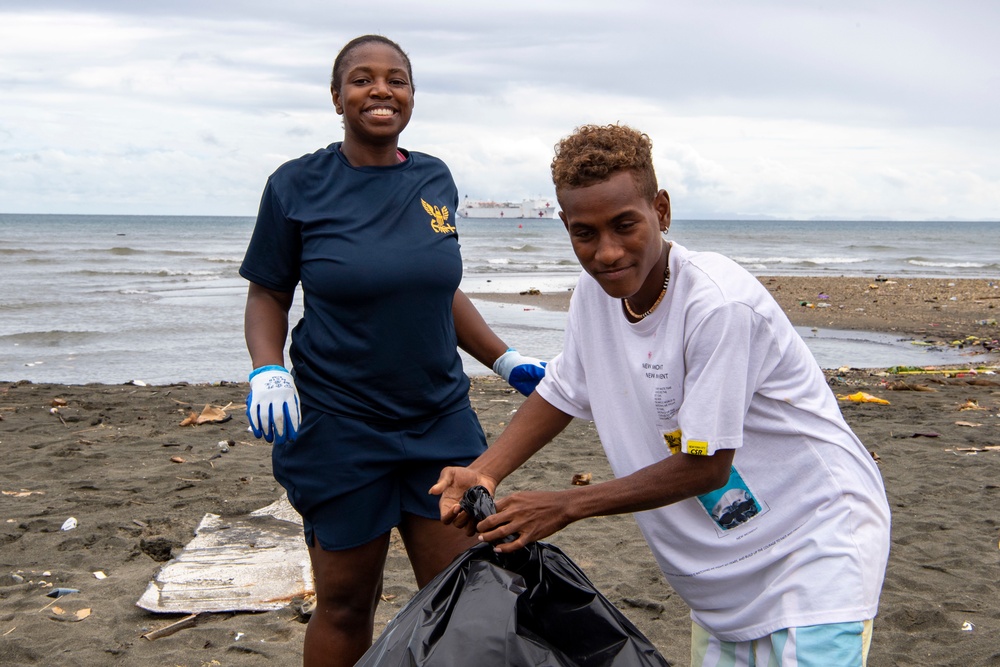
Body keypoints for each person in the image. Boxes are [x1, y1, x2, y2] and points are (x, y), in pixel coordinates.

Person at [432, 124, 891, 666]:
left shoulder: (717, 305)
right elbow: (562, 390)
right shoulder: (593, 297)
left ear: (662, 211)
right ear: (565, 226)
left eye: (625, 225)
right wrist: (484, 470)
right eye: (584, 233)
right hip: (721, 581)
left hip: (812, 551)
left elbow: (706, 466)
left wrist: (566, 504)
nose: (606, 252)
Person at [239, 34, 545, 667]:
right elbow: (268, 292)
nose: (381, 89)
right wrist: (268, 370)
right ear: (336, 97)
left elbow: (439, 290)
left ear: (411, 95)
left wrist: (505, 359)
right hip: (338, 426)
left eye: (396, 79)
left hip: (439, 422)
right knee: (348, 604)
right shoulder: (296, 185)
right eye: (362, 79)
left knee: (463, 599)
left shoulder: (434, 178)